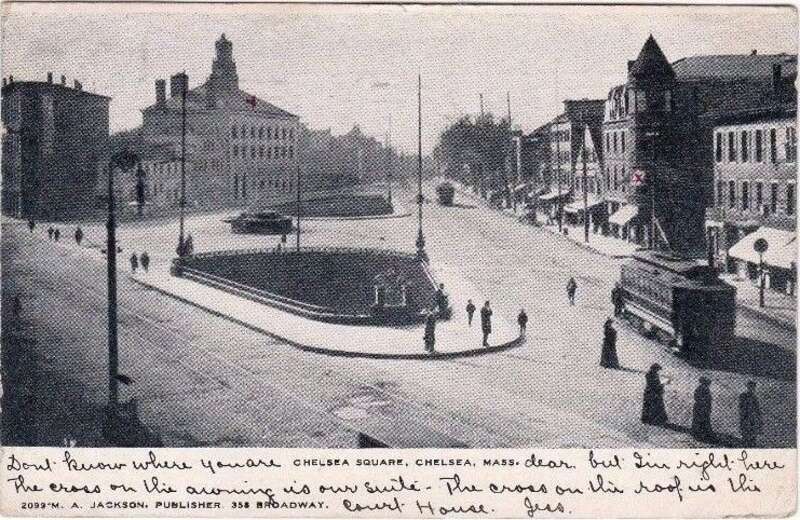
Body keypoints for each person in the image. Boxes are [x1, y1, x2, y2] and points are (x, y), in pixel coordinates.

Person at [738, 381, 763, 448]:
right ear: (748, 387)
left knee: (752, 432)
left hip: (752, 417)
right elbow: (741, 407)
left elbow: (757, 408)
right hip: (746, 416)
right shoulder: (743, 395)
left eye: (753, 387)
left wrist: (759, 416)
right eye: (750, 387)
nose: (752, 389)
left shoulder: (754, 397)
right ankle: (746, 443)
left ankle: (751, 443)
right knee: (745, 432)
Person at [691, 377, 715, 442]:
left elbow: (696, 397)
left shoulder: (699, 388)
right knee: (703, 420)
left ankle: (698, 433)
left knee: (698, 420)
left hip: (699, 407)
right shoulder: (705, 389)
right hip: (702, 407)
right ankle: (702, 434)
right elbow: (706, 399)